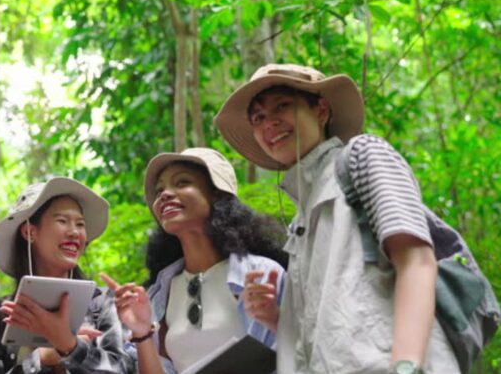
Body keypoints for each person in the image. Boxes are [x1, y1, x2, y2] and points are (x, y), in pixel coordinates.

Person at [214, 63, 459, 373]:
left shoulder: (362, 156)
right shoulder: (300, 222)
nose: (269, 123)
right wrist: (274, 318)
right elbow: (332, 331)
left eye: (282, 106)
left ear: (322, 110)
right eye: (258, 118)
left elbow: (417, 261)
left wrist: (406, 365)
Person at [102, 147, 287, 374]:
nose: (165, 194)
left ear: (217, 194)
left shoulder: (262, 273)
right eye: (160, 190)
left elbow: (302, 352)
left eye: (181, 183)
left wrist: (276, 319)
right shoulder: (159, 294)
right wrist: (142, 333)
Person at [0, 178, 134, 374]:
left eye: (80, 224)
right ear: (30, 232)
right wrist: (42, 359)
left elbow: (123, 368)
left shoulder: (101, 303)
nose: (74, 232)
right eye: (62, 221)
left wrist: (69, 347)